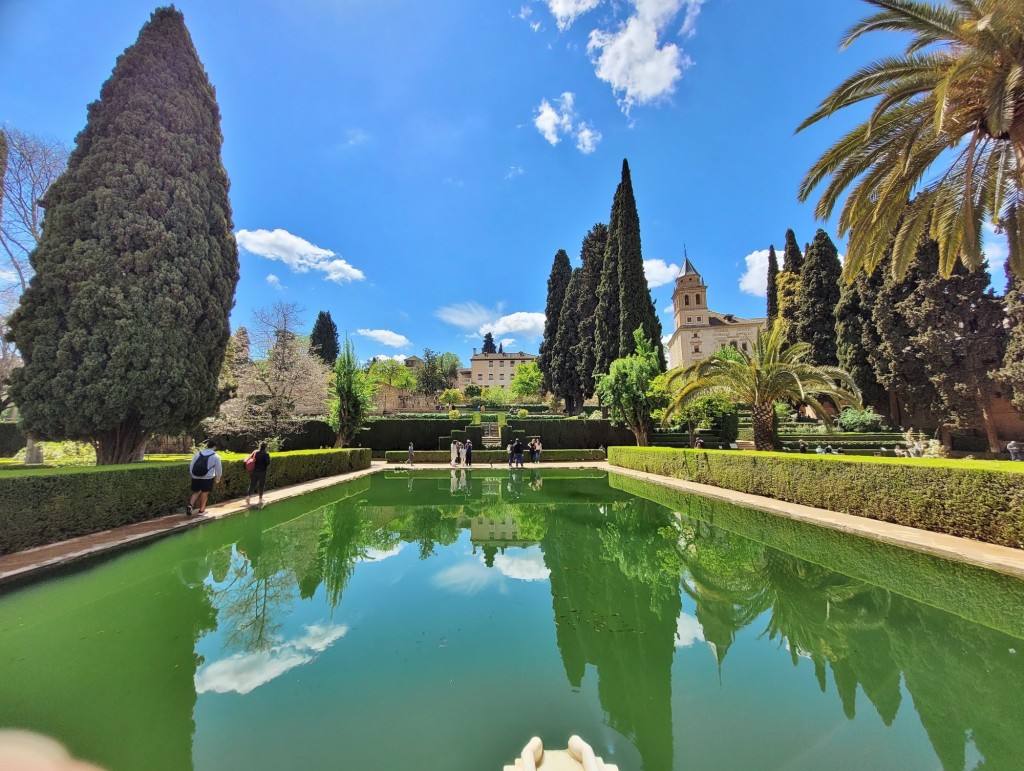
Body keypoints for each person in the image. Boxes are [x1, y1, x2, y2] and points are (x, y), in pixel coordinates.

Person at [187, 440, 222, 516]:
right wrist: (218, 478)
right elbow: (219, 469)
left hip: (196, 476)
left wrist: (192, 474)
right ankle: (202, 510)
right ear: (214, 447)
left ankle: (190, 505)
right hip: (208, 477)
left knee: (196, 492)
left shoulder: (198, 454)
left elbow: (192, 465)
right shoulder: (216, 456)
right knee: (204, 493)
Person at [245, 442, 271, 507]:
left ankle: (248, 496)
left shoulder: (255, 452)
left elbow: (249, 459)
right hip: (262, 472)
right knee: (261, 485)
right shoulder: (266, 453)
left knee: (252, 484)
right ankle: (260, 499)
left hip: (253, 471)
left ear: (259, 446)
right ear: (265, 447)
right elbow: (268, 463)